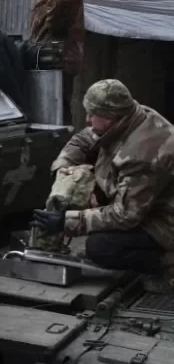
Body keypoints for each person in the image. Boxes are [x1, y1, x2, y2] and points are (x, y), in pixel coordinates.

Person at [32, 80, 174, 291]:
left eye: (92, 114)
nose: (87, 119)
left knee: (101, 247)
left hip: (166, 222)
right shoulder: (129, 117)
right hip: (149, 204)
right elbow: (83, 139)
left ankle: (166, 265)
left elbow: (125, 216)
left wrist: (66, 221)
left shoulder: (142, 154)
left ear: (109, 117)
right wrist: (63, 166)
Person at [28, 0, 86, 130]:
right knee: (57, 106)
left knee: (55, 109)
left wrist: (53, 32)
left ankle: (63, 147)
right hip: (56, 51)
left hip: (55, 53)